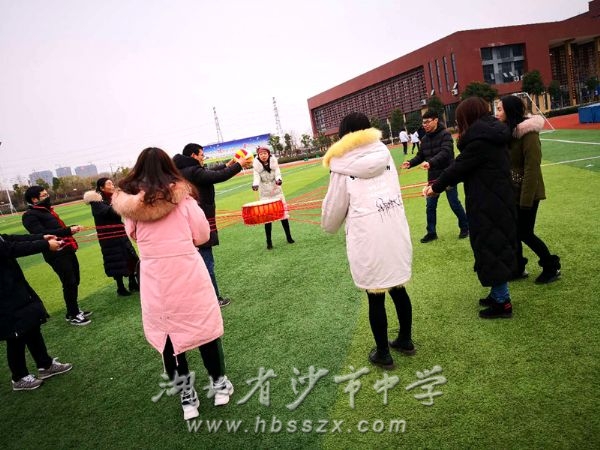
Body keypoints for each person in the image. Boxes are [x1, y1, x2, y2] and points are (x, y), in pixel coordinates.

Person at [112, 147, 234, 421]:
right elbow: (202, 235)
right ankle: (219, 384)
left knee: (168, 337)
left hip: (155, 278)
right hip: (187, 272)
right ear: (169, 168)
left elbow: (132, 235)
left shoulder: (131, 210)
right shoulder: (185, 201)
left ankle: (187, 397)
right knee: (204, 329)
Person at [322, 112, 415, 370]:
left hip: (367, 236)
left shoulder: (340, 165)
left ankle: (383, 352)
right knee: (398, 287)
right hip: (393, 227)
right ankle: (405, 340)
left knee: (375, 295)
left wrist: (328, 224)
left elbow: (334, 209)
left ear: (344, 136)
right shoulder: (385, 154)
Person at [423, 97, 518, 319]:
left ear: (469, 117)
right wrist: (439, 185)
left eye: (460, 119)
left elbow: (459, 166)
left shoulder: (481, 141)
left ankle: (503, 302)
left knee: (492, 247)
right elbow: (466, 168)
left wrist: (436, 186)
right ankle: (497, 294)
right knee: (490, 246)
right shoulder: (489, 134)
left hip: (490, 202)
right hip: (492, 199)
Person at [173, 143, 252, 308]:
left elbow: (209, 173)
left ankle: (200, 298)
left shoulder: (184, 170)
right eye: (201, 155)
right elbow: (217, 176)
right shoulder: (192, 171)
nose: (203, 157)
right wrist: (239, 165)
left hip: (188, 223)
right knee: (206, 262)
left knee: (196, 262)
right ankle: (213, 299)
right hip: (199, 222)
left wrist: (228, 164)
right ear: (193, 155)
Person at [496, 95, 561, 284]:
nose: (496, 113)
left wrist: (525, 201)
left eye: (500, 109)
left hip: (528, 193)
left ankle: (551, 266)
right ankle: (518, 267)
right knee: (513, 232)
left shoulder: (529, 134)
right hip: (513, 192)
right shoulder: (508, 132)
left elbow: (532, 168)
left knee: (525, 232)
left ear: (510, 111)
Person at [1, 232, 73, 390]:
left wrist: (42, 238)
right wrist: (45, 245)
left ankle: (45, 365)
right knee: (16, 334)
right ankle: (19, 378)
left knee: (31, 324)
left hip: (13, 285)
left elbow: (9, 239)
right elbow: (9, 248)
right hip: (4, 293)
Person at [22, 186, 91, 326]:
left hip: (67, 248)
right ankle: (73, 314)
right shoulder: (30, 215)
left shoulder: (47, 211)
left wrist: (71, 228)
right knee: (69, 282)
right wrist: (68, 230)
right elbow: (42, 234)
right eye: (44, 195)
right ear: (34, 199)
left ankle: (72, 310)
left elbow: (58, 229)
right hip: (55, 253)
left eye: (47, 194)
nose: (48, 197)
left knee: (75, 279)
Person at [402, 110, 469, 243]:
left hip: (448, 175)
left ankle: (465, 227)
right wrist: (410, 163)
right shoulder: (424, 139)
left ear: (436, 120)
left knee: (454, 203)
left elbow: (446, 152)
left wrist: (431, 162)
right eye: (423, 123)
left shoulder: (445, 135)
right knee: (430, 206)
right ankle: (431, 232)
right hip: (432, 177)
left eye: (427, 122)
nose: (425, 125)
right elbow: (421, 156)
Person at [83, 178, 139, 296]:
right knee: (116, 261)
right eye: (109, 184)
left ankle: (132, 282)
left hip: (120, 233)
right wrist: (119, 201)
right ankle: (120, 287)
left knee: (130, 257)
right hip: (109, 238)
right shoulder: (96, 202)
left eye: (112, 183)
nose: (112, 185)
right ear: (101, 188)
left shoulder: (111, 198)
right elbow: (110, 212)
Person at [252, 146, 295, 249]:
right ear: (258, 155)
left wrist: (279, 180)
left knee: (283, 215)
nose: (263, 156)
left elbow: (278, 174)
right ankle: (269, 242)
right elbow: (256, 178)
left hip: (277, 192)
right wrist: (255, 185)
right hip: (265, 194)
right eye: (261, 154)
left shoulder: (274, 163)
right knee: (267, 218)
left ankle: (289, 237)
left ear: (268, 154)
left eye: (265, 153)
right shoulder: (256, 167)